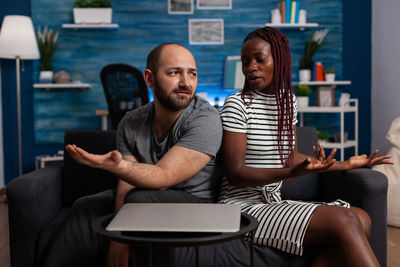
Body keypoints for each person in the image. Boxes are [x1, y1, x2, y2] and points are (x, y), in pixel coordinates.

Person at [218, 27, 393, 267]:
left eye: (260, 59)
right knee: (347, 221)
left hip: (273, 203)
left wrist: (346, 164)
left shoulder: (287, 102)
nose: (250, 67)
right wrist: (290, 173)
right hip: (240, 207)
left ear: (279, 60)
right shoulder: (236, 104)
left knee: (362, 218)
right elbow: (236, 174)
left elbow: (290, 158)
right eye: (245, 61)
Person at [40, 43, 224, 267]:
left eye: (192, 74)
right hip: (143, 199)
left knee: (139, 201)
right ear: (149, 78)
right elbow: (126, 186)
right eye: (174, 72)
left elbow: (163, 178)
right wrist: (119, 235)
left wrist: (114, 168)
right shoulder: (131, 121)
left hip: (198, 204)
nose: (185, 82)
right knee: (85, 205)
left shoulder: (206, 119)